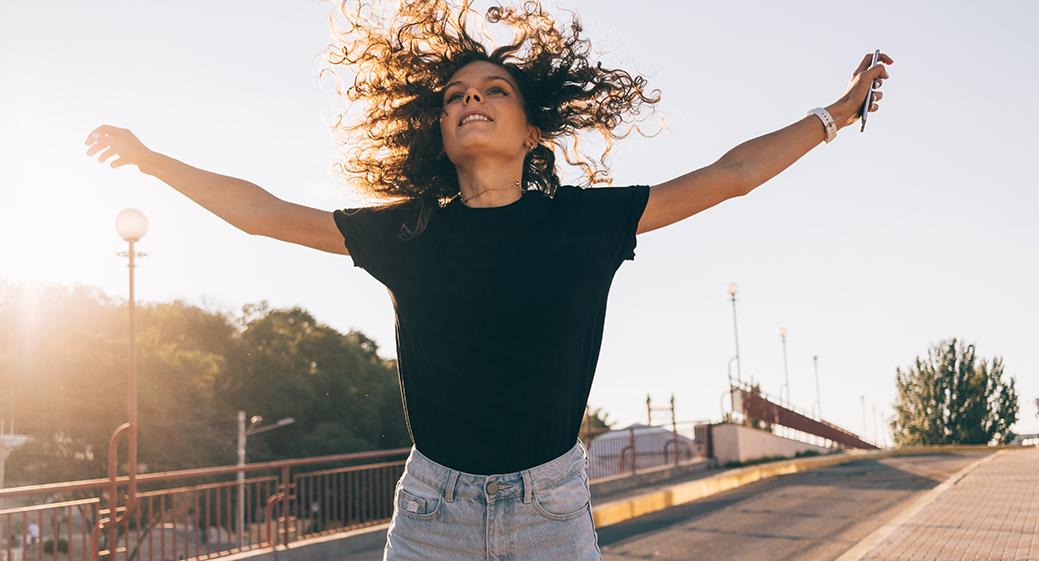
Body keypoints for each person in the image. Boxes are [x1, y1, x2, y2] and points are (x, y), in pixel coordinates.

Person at [84, 1, 891, 559]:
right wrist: (153, 160)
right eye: (456, 96)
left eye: (492, 90)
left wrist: (835, 113)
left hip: (551, 511)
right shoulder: (408, 231)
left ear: (531, 129)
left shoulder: (582, 223)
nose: (472, 99)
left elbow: (731, 174)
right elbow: (263, 212)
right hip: (432, 512)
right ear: (440, 129)